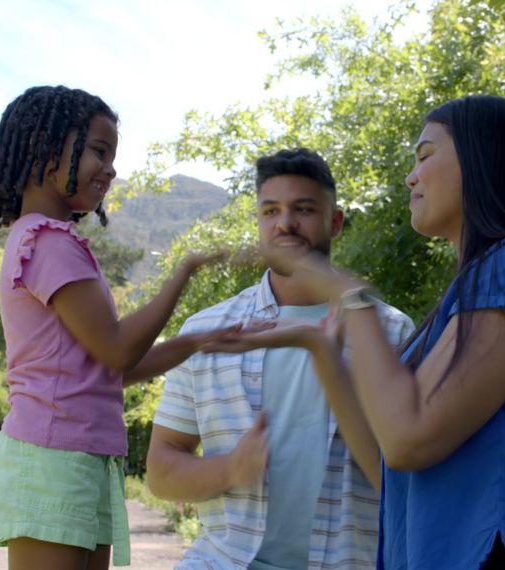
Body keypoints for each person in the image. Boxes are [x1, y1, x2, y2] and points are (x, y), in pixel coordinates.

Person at [203, 95, 505, 569]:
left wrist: (349, 297)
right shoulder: (477, 287)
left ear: (483, 158)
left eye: (425, 156)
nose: (411, 176)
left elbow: (408, 438)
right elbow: (389, 458)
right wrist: (319, 347)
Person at [0, 85, 238, 570]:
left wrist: (198, 341)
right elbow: (118, 350)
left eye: (112, 154)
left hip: (77, 455)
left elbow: (110, 369)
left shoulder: (55, 241)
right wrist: (183, 272)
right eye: (99, 150)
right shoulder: (47, 242)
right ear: (43, 147)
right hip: (50, 457)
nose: (111, 169)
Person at [146, 148, 415, 569]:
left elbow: (406, 477)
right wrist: (231, 470)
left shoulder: (391, 333)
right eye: (270, 210)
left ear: (336, 221)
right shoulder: (209, 330)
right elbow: (161, 470)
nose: (284, 222)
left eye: (303, 209)